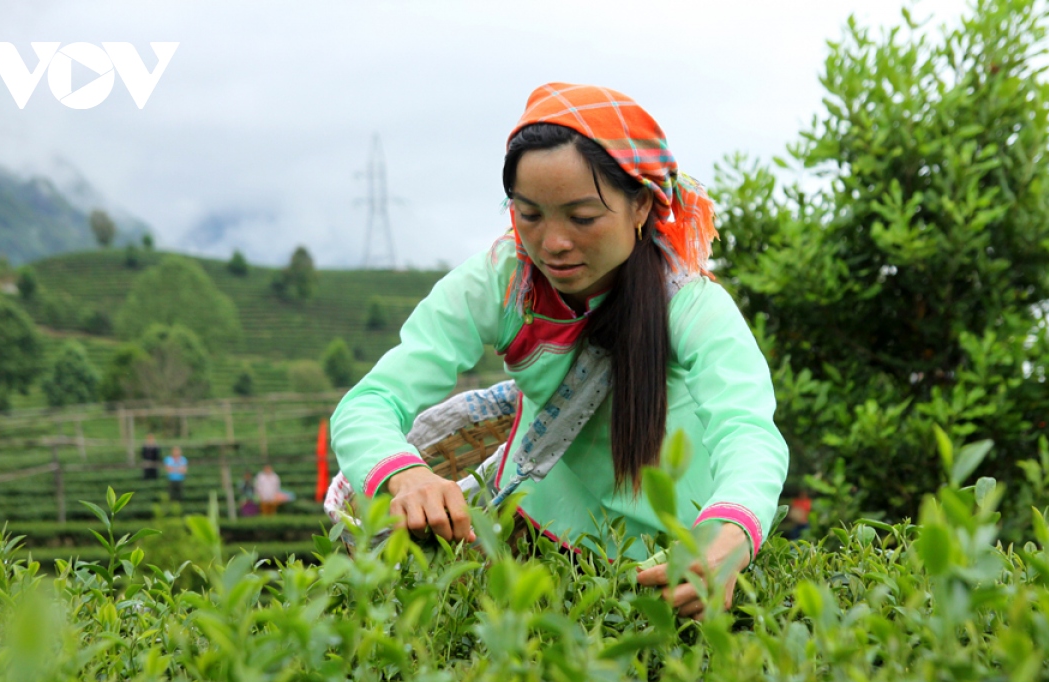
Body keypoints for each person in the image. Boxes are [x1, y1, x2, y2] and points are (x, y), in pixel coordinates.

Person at [331, 83, 788, 620]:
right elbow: (370, 402)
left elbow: (749, 429)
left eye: (582, 217)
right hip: (539, 540)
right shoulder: (501, 283)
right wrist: (404, 475)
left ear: (640, 205)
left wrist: (728, 535)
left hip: (678, 551)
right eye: (529, 214)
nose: (552, 243)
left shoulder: (690, 304)